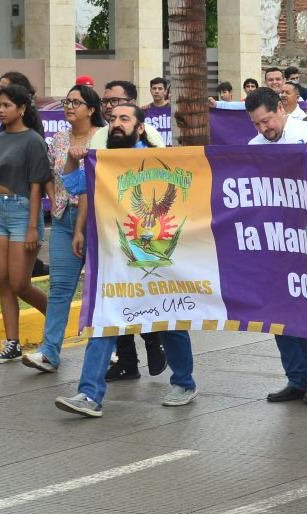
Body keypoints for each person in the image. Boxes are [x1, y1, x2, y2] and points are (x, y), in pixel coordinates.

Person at [54, 104, 199, 417]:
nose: (117, 124)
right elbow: (74, 185)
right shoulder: (102, 160)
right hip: (114, 259)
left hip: (159, 257)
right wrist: (72, 158)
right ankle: (89, 394)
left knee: (169, 319)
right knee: (105, 319)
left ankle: (184, 382)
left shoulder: (162, 158)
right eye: (113, 120)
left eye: (125, 119)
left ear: (141, 128)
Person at [242, 87, 307, 405]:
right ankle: (295, 378)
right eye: (257, 124)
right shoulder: (255, 147)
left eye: (266, 121)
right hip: (274, 239)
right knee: (279, 311)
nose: (264, 129)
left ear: (281, 109)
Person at [21, 85, 105, 372]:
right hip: (62, 220)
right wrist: (53, 196)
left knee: (101, 288)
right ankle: (49, 352)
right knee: (59, 288)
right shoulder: (59, 139)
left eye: (76, 102)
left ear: (91, 109)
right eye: (67, 101)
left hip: (96, 222)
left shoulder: (103, 138)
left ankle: (113, 352)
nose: (69, 107)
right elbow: (48, 172)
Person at [90, 80, 168, 381]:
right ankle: (127, 361)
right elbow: (83, 184)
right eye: (107, 104)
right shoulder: (101, 139)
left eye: (119, 106)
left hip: (144, 235)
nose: (111, 111)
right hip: (109, 234)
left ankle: (153, 340)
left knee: (142, 295)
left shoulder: (151, 143)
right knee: (115, 298)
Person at [0, 84, 51, 364]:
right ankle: (12, 343)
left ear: (22, 109)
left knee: (21, 283)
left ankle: (54, 322)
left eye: (7, 105)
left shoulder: (33, 140)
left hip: (23, 211)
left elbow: (37, 187)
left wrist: (34, 226)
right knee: (5, 283)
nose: (0, 110)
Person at [90, 81, 165, 148]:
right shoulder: (98, 136)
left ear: (132, 103)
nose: (108, 106)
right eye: (105, 101)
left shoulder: (150, 133)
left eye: (114, 100)